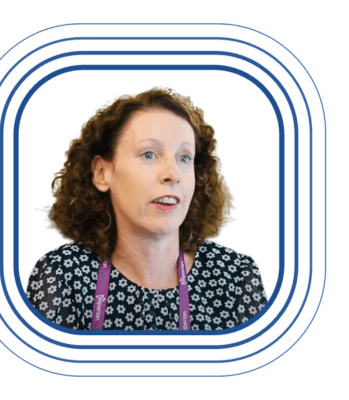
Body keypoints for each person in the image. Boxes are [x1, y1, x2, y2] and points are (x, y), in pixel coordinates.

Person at [26, 85, 268, 330]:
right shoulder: (61, 276)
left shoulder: (237, 277)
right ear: (101, 173)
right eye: (149, 154)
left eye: (184, 157)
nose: (173, 173)